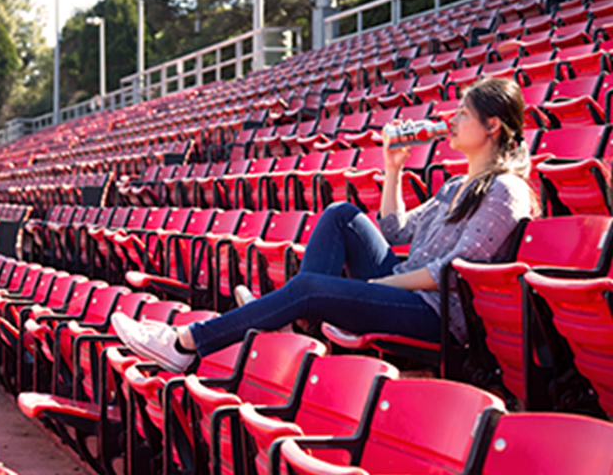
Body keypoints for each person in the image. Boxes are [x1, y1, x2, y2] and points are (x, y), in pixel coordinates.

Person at [111, 78, 538, 372]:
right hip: (407, 288)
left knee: (311, 289)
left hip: (437, 312)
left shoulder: (506, 191)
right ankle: (286, 314)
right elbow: (394, 233)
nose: (452, 121)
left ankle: (184, 343)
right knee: (341, 215)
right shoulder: (457, 185)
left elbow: (452, 272)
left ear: (493, 125)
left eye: (463, 114)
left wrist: (375, 289)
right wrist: (393, 169)